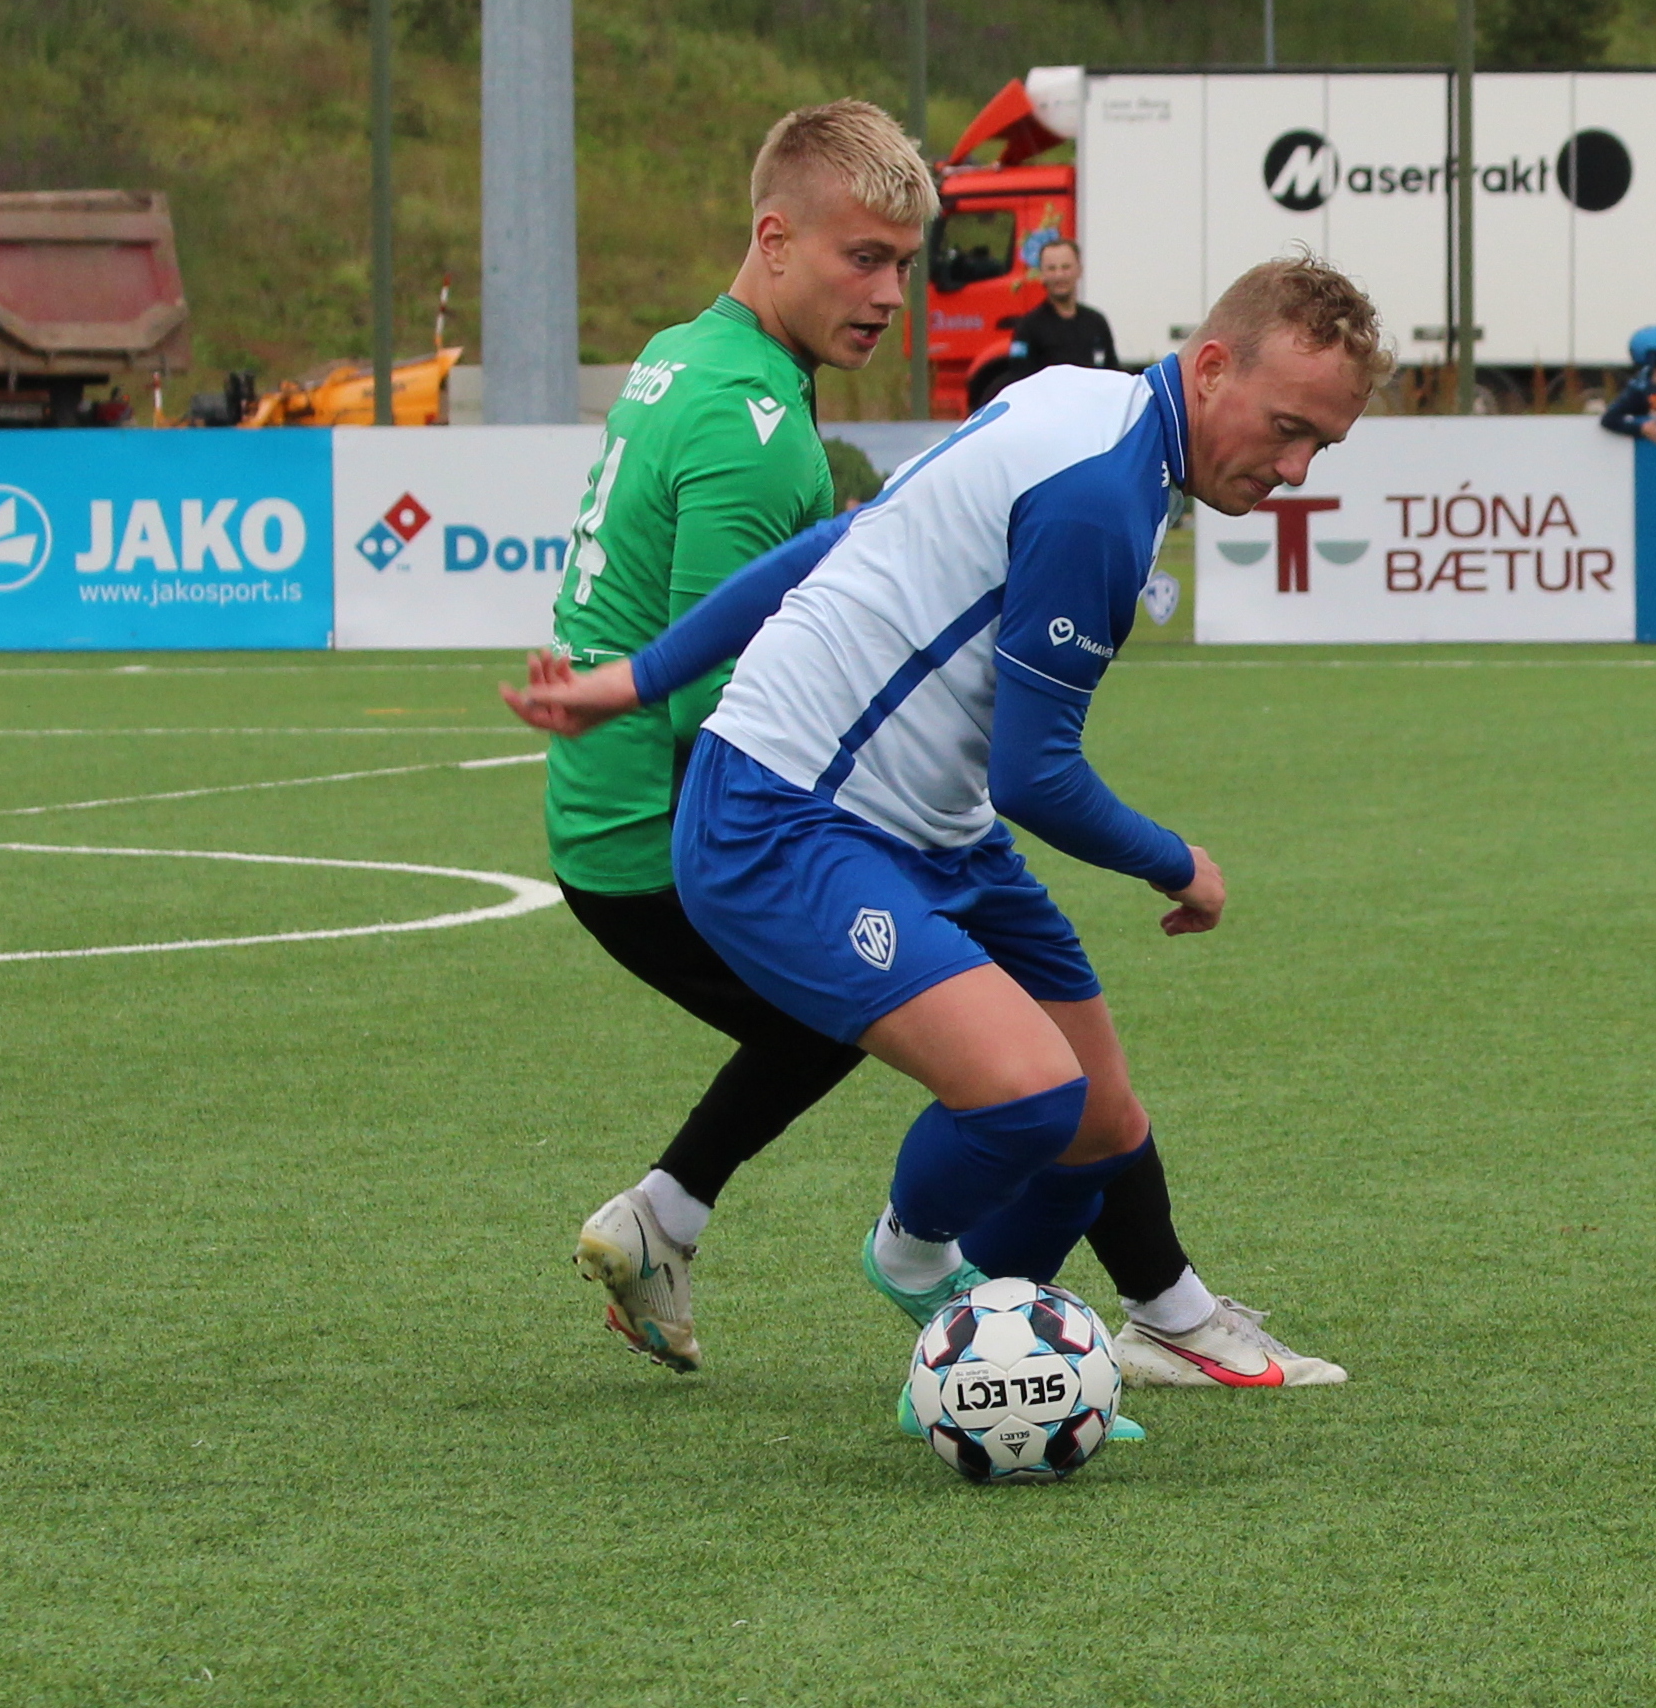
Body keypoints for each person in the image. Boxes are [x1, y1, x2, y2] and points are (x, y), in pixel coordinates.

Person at [529, 107, 1340, 1395]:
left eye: (1320, 446)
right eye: (1287, 427)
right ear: (1209, 368)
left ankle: (1124, 1324)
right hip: (792, 812)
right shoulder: (1090, 492)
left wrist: (632, 672)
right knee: (1017, 1089)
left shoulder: (1082, 400)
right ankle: (921, 1272)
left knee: (1096, 1106)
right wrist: (1176, 858)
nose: (1294, 467)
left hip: (926, 825)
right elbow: (1036, 772)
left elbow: (832, 550)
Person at [969, 238, 1122, 411]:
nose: (1059, 275)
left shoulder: (1096, 322)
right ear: (1041, 274)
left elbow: (1113, 374)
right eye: (1051, 268)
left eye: (1066, 267)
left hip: (1091, 413)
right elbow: (1020, 379)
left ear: (1079, 270)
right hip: (1049, 414)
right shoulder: (1028, 327)